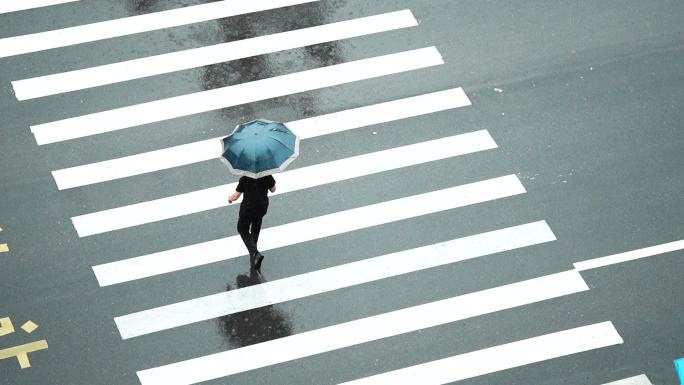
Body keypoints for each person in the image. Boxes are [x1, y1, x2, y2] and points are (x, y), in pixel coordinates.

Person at [228, 175, 276, 270]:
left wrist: (230, 198)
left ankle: (255, 253)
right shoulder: (267, 176)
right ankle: (254, 253)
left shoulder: (245, 179)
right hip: (261, 208)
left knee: (242, 229)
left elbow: (235, 196)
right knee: (256, 229)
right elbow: (273, 189)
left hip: (247, 209)